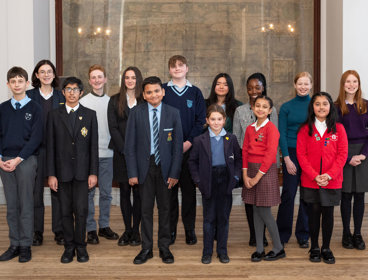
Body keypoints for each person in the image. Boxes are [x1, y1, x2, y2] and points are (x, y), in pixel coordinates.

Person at [125, 76, 183, 264]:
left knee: (166, 209)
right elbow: (129, 146)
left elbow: (177, 147)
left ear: (163, 92)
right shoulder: (136, 113)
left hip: (165, 169)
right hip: (145, 167)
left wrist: (174, 173)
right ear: (144, 95)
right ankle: (146, 248)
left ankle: (164, 247)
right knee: (145, 209)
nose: (153, 94)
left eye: (157, 91)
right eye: (149, 92)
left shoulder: (173, 113)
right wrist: (132, 173)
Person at [47, 77, 98, 263]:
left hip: (83, 173)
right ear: (63, 92)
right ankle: (69, 247)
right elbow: (51, 147)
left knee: (82, 210)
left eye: (75, 89)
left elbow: (93, 146)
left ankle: (81, 246)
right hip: (62, 173)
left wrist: (93, 172)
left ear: (81, 93)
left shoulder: (90, 115)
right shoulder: (54, 115)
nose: (71, 92)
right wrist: (51, 174)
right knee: (65, 211)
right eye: (68, 89)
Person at [297, 92, 348, 264]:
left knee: (328, 213)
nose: (321, 107)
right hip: (311, 180)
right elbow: (301, 155)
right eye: (317, 104)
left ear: (330, 106)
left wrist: (329, 175)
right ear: (312, 107)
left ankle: (326, 247)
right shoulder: (305, 129)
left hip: (331, 180)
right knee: (313, 213)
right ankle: (314, 247)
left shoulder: (338, 129)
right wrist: (314, 175)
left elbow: (342, 155)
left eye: (324, 104)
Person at [188, 104, 242, 264]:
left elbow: (238, 159)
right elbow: (192, 162)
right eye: (213, 119)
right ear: (207, 120)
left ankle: (222, 251)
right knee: (209, 218)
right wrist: (198, 180)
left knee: (223, 218)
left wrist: (236, 177)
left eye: (219, 119)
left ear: (224, 120)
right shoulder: (200, 140)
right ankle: (207, 252)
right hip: (208, 180)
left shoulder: (231, 139)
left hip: (225, 180)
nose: (216, 122)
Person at [0, 67, 42, 263]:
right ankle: (14, 244)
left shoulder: (35, 108)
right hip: (4, 161)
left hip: (25, 160)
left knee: (25, 204)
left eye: (20, 80)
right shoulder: (2, 108)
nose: (17, 84)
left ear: (27, 83)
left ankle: (25, 245)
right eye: (13, 81)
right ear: (8, 85)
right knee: (12, 205)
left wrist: (18, 159)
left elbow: (36, 138)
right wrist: (0, 159)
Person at [162, 55, 206, 245]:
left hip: (190, 149)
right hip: (168, 150)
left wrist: (188, 142)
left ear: (187, 68)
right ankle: (170, 230)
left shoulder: (195, 92)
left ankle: (189, 229)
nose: (177, 69)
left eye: (181, 66)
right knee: (169, 192)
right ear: (169, 70)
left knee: (189, 192)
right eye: (173, 66)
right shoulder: (162, 90)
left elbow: (200, 121)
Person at [233, 72, 277, 247]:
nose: (253, 90)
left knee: (264, 202)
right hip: (247, 163)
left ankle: (267, 236)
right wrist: (241, 166)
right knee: (250, 201)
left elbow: (274, 142)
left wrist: (275, 165)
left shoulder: (271, 109)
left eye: (257, 87)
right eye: (250, 87)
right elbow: (236, 138)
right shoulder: (240, 111)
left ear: (263, 88)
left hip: (265, 165)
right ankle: (254, 234)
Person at [27, 59, 65, 246]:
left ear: (54, 74)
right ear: (36, 75)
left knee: (57, 191)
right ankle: (37, 232)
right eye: (42, 71)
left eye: (49, 71)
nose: (46, 74)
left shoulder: (62, 97)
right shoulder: (28, 96)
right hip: (35, 151)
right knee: (35, 194)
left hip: (57, 152)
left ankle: (59, 231)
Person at [242, 95, 285, 262]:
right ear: (252, 108)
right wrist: (246, 174)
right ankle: (260, 248)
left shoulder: (272, 129)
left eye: (264, 106)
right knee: (255, 210)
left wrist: (257, 177)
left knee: (264, 211)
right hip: (250, 171)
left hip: (264, 172)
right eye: (257, 105)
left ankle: (278, 247)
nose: (260, 109)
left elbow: (269, 156)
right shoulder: (249, 128)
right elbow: (245, 151)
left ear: (270, 110)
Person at [80, 65, 118, 244]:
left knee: (106, 193)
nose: (96, 80)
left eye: (99, 77)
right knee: (88, 193)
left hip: (108, 154)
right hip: (88, 156)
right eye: (93, 77)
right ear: (89, 81)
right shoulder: (84, 102)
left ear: (105, 79)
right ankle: (90, 229)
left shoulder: (111, 102)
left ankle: (104, 226)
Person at [108, 66, 143, 246]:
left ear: (138, 79)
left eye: (133, 77)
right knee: (124, 193)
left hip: (140, 156)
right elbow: (113, 128)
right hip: (121, 154)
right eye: (127, 77)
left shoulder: (144, 100)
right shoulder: (114, 100)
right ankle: (127, 231)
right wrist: (125, 149)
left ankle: (136, 231)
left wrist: (136, 151)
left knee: (138, 194)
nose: (130, 80)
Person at [276, 72, 312, 248]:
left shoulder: (316, 105)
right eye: (300, 84)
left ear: (311, 85)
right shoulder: (286, 107)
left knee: (307, 194)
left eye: (306, 84)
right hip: (291, 152)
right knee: (289, 193)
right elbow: (281, 133)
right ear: (294, 85)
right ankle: (282, 233)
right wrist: (287, 159)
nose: (303, 87)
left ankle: (303, 234)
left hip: (310, 154)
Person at [335, 70, 368, 250]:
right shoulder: (336, 106)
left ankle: (357, 233)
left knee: (360, 196)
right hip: (344, 154)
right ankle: (346, 233)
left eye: (354, 81)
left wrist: (363, 154)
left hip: (363, 154)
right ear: (343, 84)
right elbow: (334, 136)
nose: (351, 85)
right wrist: (347, 157)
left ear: (359, 83)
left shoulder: (366, 105)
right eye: (348, 81)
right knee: (346, 195)